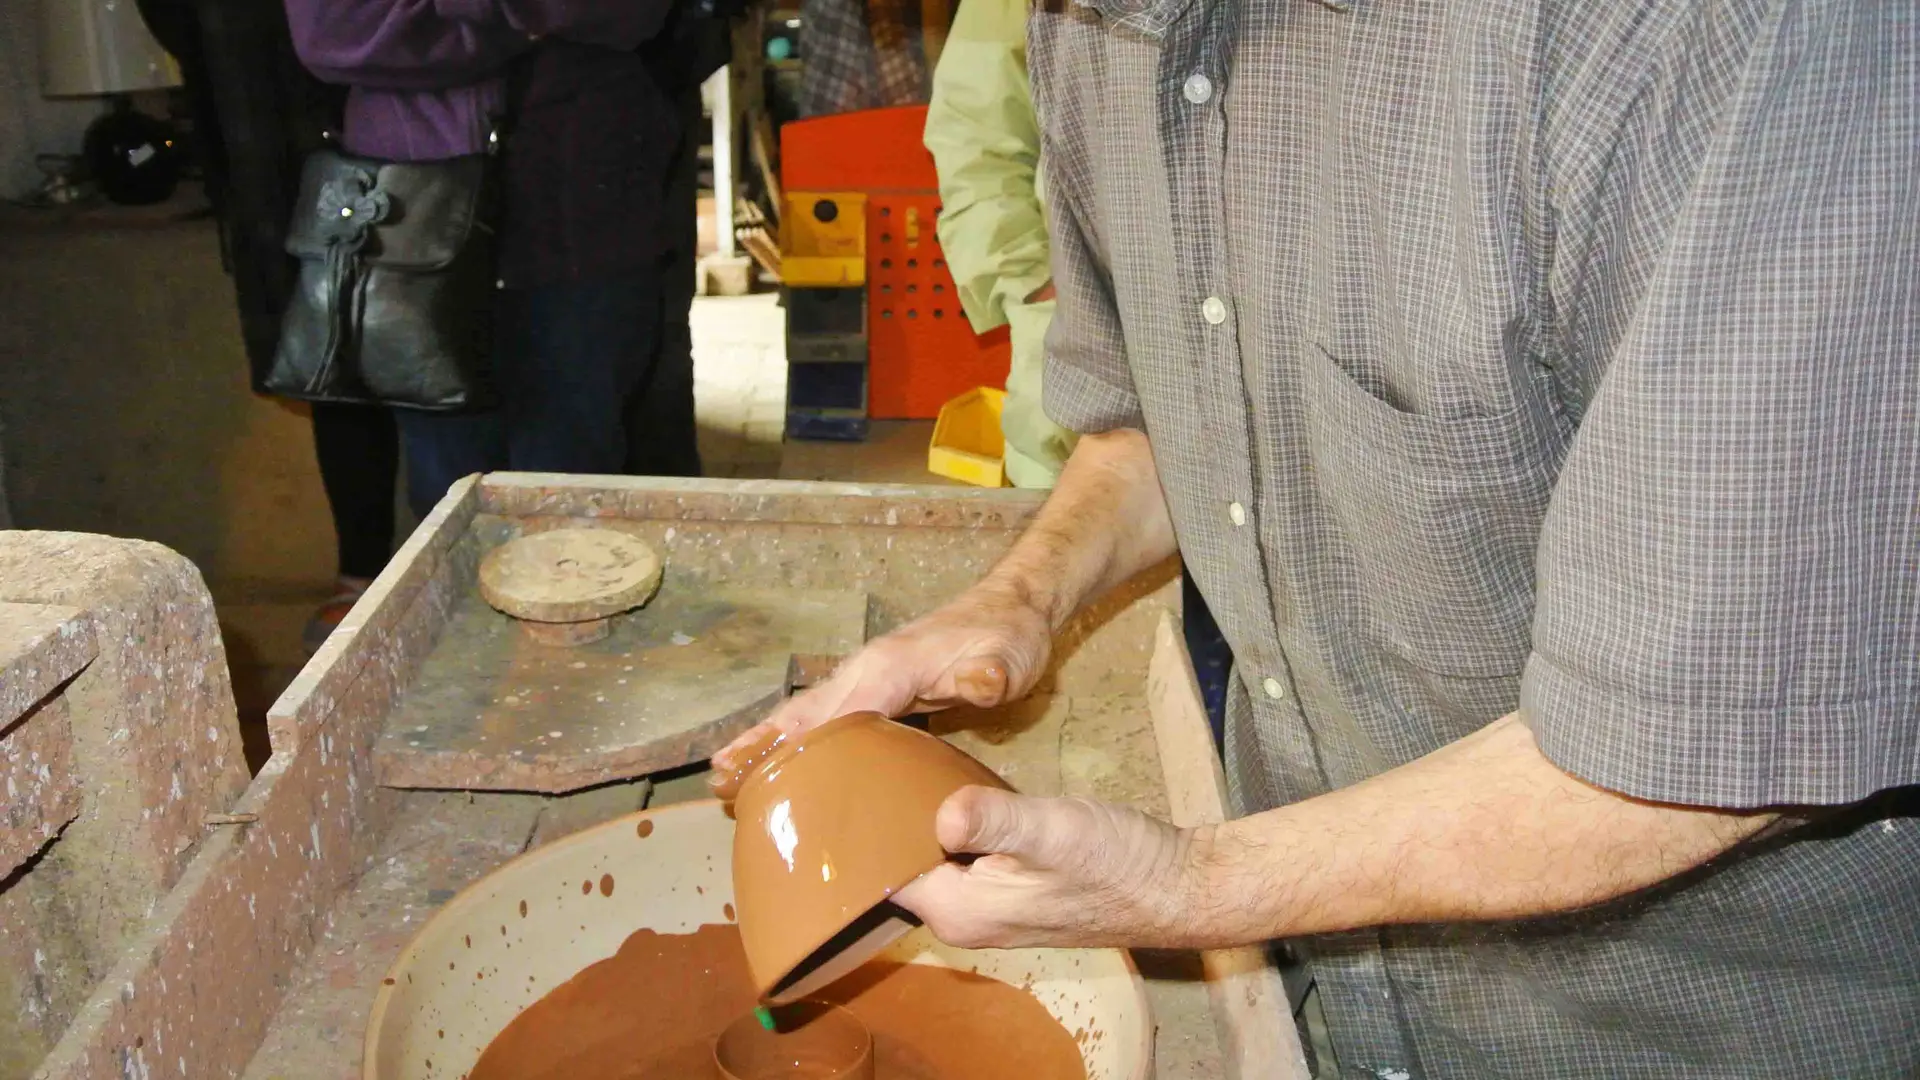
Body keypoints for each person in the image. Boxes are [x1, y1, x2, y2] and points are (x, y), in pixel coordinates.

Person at [716, 0, 1920, 1075]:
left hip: (1673, 1024)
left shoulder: (1728, 36)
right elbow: (1155, 414)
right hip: (1323, 980)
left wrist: (1188, 883)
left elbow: (1712, 734)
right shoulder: (1091, 25)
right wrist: (1022, 599)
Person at [922, 0, 1233, 738]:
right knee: (1094, 697)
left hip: (1297, 416)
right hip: (1087, 390)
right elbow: (976, 127)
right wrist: (1028, 282)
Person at [284, 0, 719, 521]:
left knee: (575, 503)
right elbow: (334, 34)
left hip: (582, 222)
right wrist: (528, 25)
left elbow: (632, 13)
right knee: (449, 507)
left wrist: (443, 21)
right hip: (414, 232)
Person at [136, 0, 400, 651]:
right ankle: (361, 572)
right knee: (330, 366)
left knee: (428, 361)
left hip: (401, 148)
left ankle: (428, 570)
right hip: (267, 158)